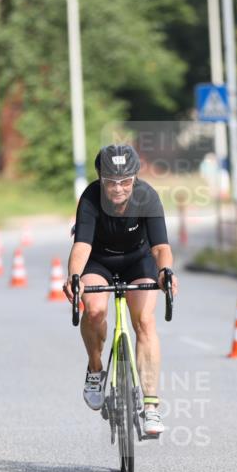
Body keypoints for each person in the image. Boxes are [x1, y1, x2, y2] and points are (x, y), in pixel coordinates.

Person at [63, 144, 179, 436]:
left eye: (125, 181)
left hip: (137, 262)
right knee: (95, 310)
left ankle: (150, 407)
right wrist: (74, 276)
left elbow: (161, 247)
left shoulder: (147, 196)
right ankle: (94, 368)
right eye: (110, 182)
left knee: (144, 321)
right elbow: (82, 246)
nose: (118, 188)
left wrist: (165, 272)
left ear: (135, 178)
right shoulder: (90, 198)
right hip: (98, 260)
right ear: (101, 179)